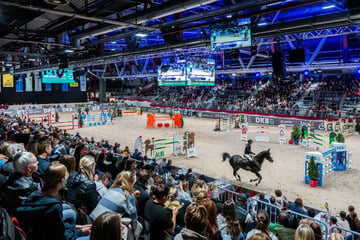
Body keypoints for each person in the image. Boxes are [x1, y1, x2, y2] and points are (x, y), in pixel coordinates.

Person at [16, 163, 91, 240]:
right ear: (62, 181)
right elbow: (61, 237)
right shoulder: (53, 207)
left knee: (68, 208)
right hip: (43, 235)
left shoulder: (34, 194)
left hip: (36, 231)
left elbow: (54, 227)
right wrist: (80, 232)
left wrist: (74, 228)